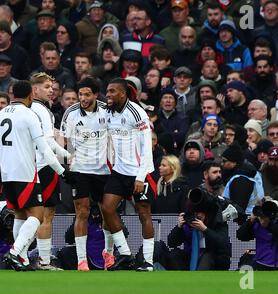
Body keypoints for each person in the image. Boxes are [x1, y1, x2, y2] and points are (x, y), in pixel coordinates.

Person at [0, 80, 73, 271]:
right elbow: (44, 148)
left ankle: (23, 259)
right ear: (30, 96)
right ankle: (15, 251)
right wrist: (62, 171)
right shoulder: (29, 114)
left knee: (20, 215)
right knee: (37, 214)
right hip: (25, 173)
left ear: (12, 96)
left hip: (7, 174)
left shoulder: (0, 115)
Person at [101, 78, 155, 271]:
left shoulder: (136, 112)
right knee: (107, 209)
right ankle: (125, 254)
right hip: (119, 171)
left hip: (139, 173)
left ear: (123, 94)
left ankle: (148, 261)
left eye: (112, 91)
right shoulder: (108, 112)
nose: (108, 95)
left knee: (143, 214)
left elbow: (147, 147)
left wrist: (141, 177)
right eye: (107, 91)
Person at [60, 77, 109, 271]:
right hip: (80, 169)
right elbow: (64, 140)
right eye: (81, 94)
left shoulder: (107, 111)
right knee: (82, 211)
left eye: (87, 94)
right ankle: (82, 260)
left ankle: (109, 255)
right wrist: (67, 162)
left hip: (103, 170)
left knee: (107, 212)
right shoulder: (71, 113)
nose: (83, 98)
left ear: (96, 94)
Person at [29, 72, 72, 271]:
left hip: (28, 167)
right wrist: (66, 158)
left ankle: (20, 256)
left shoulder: (27, 109)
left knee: (27, 215)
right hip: (44, 166)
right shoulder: (43, 111)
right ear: (35, 89)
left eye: (52, 86)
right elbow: (48, 144)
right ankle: (44, 261)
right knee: (46, 215)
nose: (51, 90)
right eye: (46, 87)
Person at [166, 188, 232, 270]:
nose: (197, 216)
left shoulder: (217, 221)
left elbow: (222, 243)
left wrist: (205, 229)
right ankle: (182, 279)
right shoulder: (188, 221)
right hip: (191, 255)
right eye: (195, 213)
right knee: (174, 254)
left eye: (200, 214)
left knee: (207, 257)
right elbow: (171, 243)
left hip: (214, 258)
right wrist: (179, 227)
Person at [237, 196, 278, 270]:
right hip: (260, 263)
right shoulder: (258, 221)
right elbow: (241, 236)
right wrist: (250, 222)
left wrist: (269, 225)